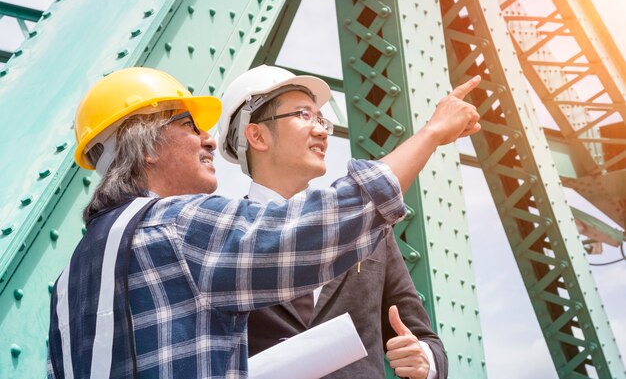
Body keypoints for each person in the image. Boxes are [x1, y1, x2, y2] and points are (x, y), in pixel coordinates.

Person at [47, 66, 480, 379]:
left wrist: (424, 358)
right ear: (146, 146)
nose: (208, 138)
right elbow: (318, 228)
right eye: (190, 124)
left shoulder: (69, 282)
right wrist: (431, 134)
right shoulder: (188, 231)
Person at [218, 65, 449, 379]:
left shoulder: (375, 232)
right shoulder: (218, 238)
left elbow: (425, 338)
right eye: (303, 115)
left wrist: (423, 359)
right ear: (257, 135)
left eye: (321, 118)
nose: (322, 130)